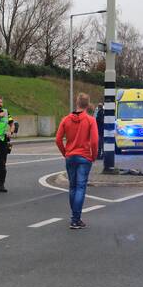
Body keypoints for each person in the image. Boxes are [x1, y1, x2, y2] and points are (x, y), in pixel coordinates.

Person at [55, 92, 98, 230]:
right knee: (80, 187)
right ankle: (75, 219)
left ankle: (74, 216)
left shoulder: (66, 120)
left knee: (72, 187)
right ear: (88, 104)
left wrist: (65, 153)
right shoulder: (90, 120)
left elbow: (58, 139)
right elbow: (95, 141)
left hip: (70, 156)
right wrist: (94, 156)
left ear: (77, 103)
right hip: (84, 157)